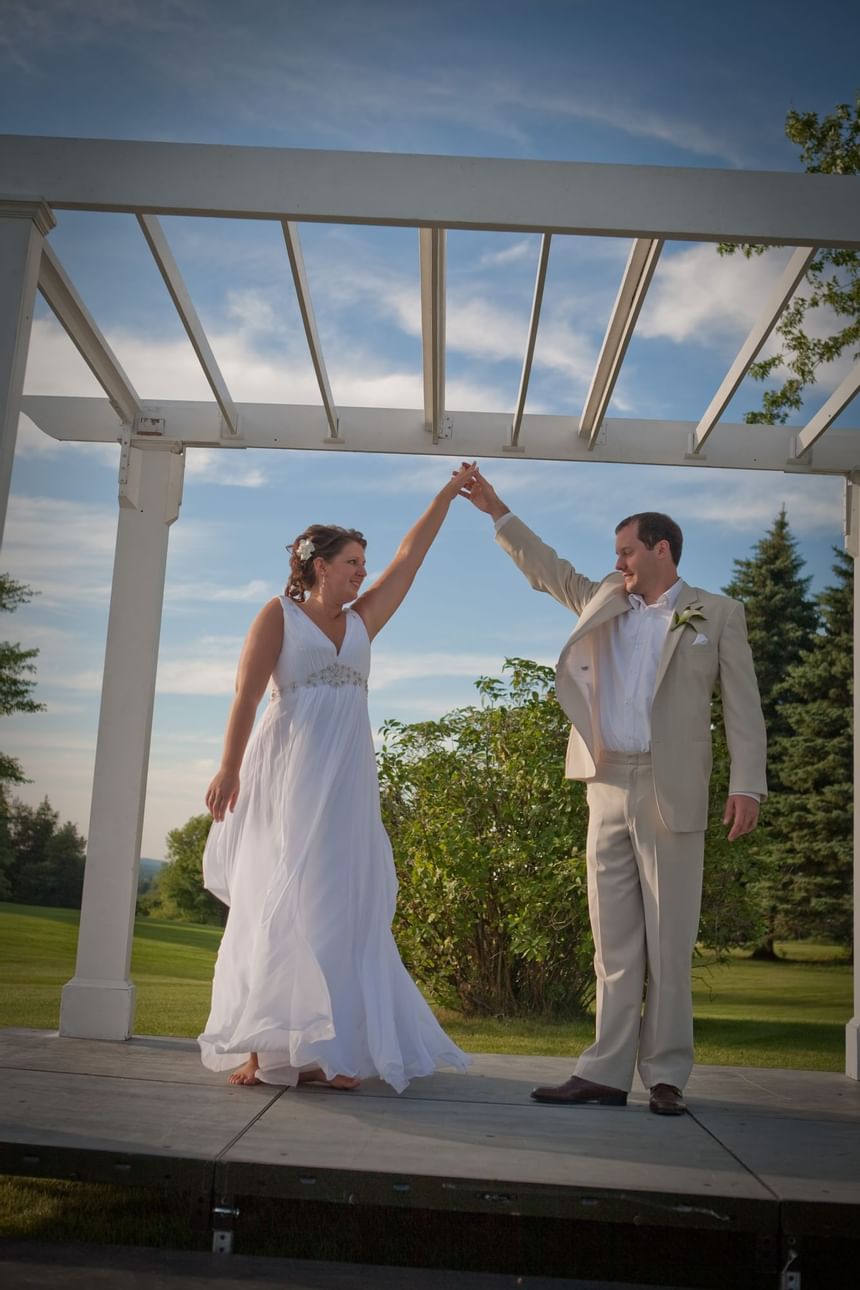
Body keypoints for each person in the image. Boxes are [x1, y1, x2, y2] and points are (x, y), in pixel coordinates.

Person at [461, 468, 766, 1116]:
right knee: (615, 942)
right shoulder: (604, 596)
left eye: (626, 550)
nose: (617, 561)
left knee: (669, 940)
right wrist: (497, 511)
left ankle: (664, 1076)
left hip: (670, 788)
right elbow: (549, 568)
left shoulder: (718, 613)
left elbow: (744, 709)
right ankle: (604, 1071)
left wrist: (748, 786)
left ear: (662, 550)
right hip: (604, 782)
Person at [198, 464, 478, 1092]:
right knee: (276, 895)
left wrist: (445, 497)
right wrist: (228, 766)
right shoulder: (278, 615)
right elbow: (246, 697)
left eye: (362, 563)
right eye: (352, 561)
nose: (362, 572)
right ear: (319, 564)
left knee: (336, 901)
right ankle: (258, 1045)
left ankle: (329, 1047)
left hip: (347, 776)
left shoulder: (363, 619)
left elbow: (410, 558)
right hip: (286, 769)